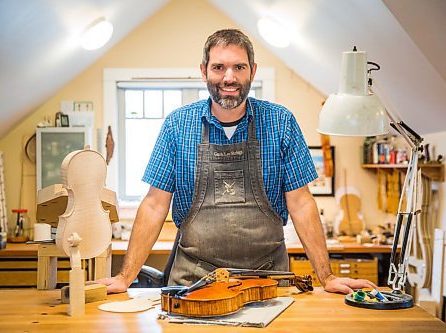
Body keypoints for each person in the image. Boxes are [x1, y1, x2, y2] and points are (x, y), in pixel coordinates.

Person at [98, 29, 376, 294]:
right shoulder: (177, 126)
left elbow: (301, 203)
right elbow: (154, 204)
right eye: (219, 67)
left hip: (268, 282)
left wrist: (326, 276)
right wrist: (126, 277)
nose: (229, 77)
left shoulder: (280, 122)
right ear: (203, 70)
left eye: (239, 67)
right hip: (194, 284)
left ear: (252, 71)